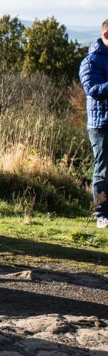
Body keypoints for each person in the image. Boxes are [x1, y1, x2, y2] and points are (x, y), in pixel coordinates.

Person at [78, 18, 108, 228]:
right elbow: (93, 90)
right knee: (103, 170)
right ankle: (101, 214)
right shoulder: (91, 61)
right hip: (101, 124)